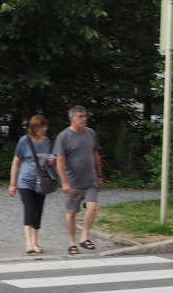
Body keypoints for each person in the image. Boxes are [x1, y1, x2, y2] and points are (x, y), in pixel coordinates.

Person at [54, 104, 104, 255]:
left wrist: (100, 175)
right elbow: (60, 161)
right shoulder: (64, 137)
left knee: (92, 206)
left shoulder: (90, 133)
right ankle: (72, 242)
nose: (84, 119)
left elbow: (96, 156)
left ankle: (84, 237)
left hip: (90, 180)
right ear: (72, 118)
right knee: (71, 212)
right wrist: (64, 182)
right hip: (73, 182)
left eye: (85, 116)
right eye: (80, 116)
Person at [8, 114, 55, 254]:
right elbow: (16, 162)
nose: (45, 129)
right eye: (42, 126)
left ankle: (35, 242)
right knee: (30, 209)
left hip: (41, 182)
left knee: (38, 210)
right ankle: (28, 243)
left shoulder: (46, 141)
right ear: (35, 127)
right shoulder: (24, 141)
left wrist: (52, 159)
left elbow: (47, 157)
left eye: (46, 126)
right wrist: (12, 183)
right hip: (25, 182)